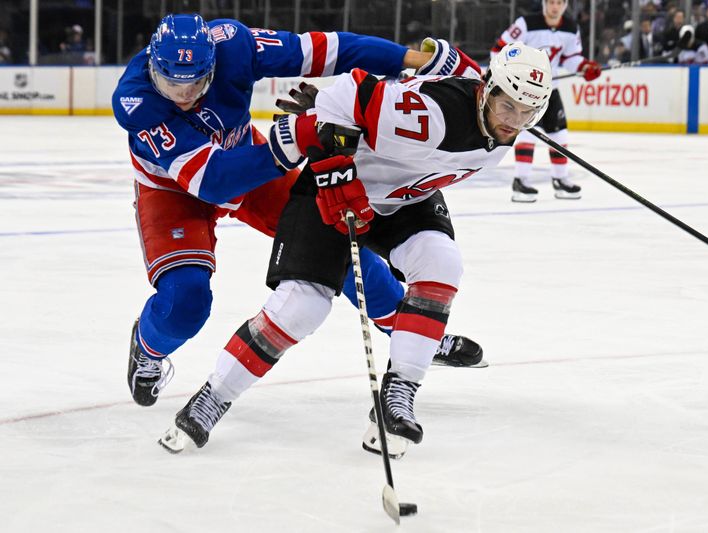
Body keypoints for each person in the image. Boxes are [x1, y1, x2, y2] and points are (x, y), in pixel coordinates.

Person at [158, 42, 554, 455]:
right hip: (339, 190)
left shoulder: (496, 108)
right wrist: (334, 166)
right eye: (507, 107)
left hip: (406, 198)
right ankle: (213, 396)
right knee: (303, 306)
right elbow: (350, 92)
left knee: (441, 261)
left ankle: (397, 396)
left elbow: (465, 70)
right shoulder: (431, 116)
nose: (514, 121)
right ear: (488, 90)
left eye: (528, 113)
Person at [112, 14, 486, 409]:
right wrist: (298, 136)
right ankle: (148, 349)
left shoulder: (234, 45)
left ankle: (408, 329)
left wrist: (411, 59)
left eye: (195, 84)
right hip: (174, 190)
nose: (183, 96)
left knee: (335, 242)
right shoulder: (136, 100)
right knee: (185, 301)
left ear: (213, 65)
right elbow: (212, 180)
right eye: (171, 84)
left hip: (248, 163)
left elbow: (326, 50)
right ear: (153, 67)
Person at [490, 0, 600, 203]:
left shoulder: (570, 28)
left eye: (559, 2)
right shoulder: (525, 24)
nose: (554, 7)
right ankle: (520, 180)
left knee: (560, 134)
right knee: (528, 134)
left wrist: (584, 67)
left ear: (565, 5)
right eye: (551, 2)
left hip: (551, 90)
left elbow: (570, 58)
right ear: (544, 3)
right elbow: (498, 51)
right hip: (527, 93)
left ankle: (560, 179)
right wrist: (514, 74)